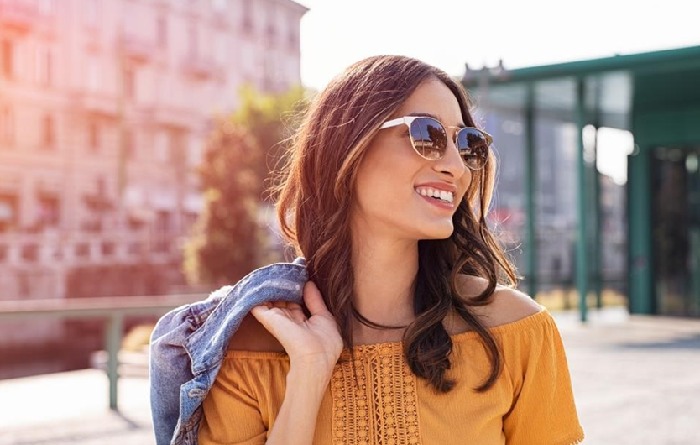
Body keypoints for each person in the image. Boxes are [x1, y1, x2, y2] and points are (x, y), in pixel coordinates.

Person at [149, 55, 584, 445]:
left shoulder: (516, 333)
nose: (455, 165)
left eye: (467, 144)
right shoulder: (248, 348)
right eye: (427, 135)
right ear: (347, 150)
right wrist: (308, 372)